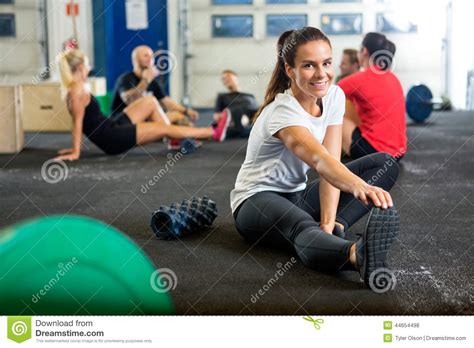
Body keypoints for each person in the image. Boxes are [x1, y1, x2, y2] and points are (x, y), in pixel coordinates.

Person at [230, 27, 400, 290]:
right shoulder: (283, 112)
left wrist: (329, 222)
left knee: (384, 164)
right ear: (290, 70)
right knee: (301, 226)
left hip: (296, 196)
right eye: (309, 65)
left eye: (327, 63)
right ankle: (356, 254)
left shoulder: (333, 96)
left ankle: (335, 232)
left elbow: (331, 162)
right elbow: (320, 160)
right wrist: (359, 186)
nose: (322, 74)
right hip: (255, 200)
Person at [54, 49, 230, 161]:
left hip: (112, 126)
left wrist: (183, 110)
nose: (89, 68)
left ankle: (175, 137)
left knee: (150, 101)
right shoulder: (77, 88)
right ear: (78, 67)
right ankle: (211, 132)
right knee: (162, 127)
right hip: (111, 138)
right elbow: (78, 122)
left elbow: (81, 122)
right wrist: (75, 152)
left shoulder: (75, 88)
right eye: (87, 65)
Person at [338, 33, 407, 160]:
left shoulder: (359, 79)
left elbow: (325, 96)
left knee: (335, 116)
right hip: (398, 153)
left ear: (364, 51)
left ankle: (327, 159)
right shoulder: (394, 78)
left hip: (374, 152)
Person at [111, 45, 199, 125]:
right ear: (135, 60)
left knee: (179, 117)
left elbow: (165, 101)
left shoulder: (152, 81)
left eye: (151, 56)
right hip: (125, 122)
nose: (150, 59)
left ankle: (176, 137)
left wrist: (186, 111)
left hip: (145, 120)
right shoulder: (125, 79)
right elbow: (130, 100)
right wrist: (145, 81)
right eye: (145, 56)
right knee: (166, 115)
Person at [214, 70, 259, 138]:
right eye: (223, 79)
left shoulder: (250, 96)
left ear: (236, 77)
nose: (225, 80)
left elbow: (258, 112)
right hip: (235, 124)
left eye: (228, 76)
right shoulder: (222, 96)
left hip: (253, 123)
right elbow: (217, 117)